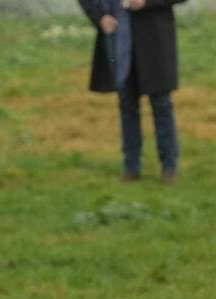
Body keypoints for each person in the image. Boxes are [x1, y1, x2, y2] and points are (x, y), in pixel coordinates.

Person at [79, 0, 187, 183]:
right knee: (127, 104)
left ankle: (169, 167)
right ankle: (131, 167)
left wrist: (146, 3)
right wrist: (100, 17)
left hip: (155, 41)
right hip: (118, 41)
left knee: (161, 104)